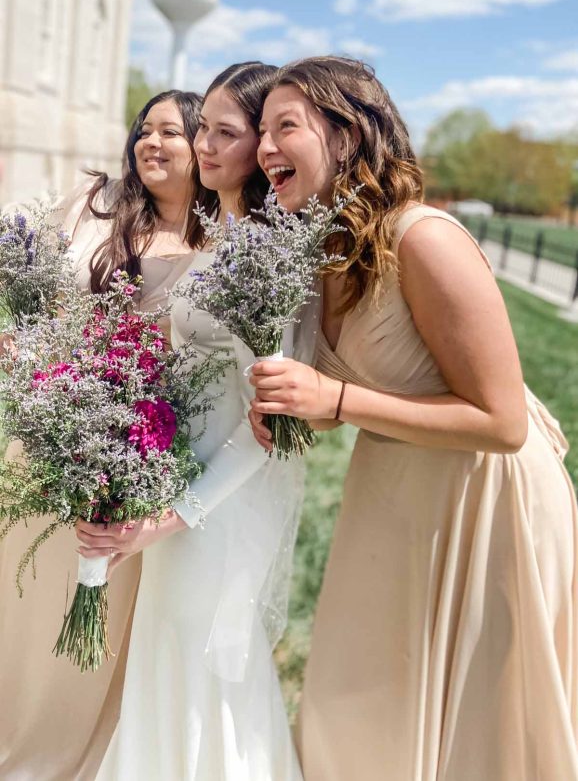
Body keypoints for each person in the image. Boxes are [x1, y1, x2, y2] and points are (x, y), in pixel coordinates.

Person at [250, 56, 578, 781]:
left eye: (285, 127)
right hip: (394, 495)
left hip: (485, 502)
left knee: (478, 728)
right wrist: (298, 409)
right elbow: (364, 386)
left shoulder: (423, 239)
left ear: (347, 136)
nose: (264, 146)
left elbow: (502, 422)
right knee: (360, 704)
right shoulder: (322, 249)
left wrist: (334, 401)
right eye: (260, 130)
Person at [78, 63, 306, 781]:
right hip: (174, 483)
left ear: (264, 146)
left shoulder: (263, 254)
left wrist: (172, 516)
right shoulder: (217, 239)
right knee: (166, 654)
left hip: (219, 502)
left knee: (208, 666)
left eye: (227, 132)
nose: (205, 145)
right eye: (201, 127)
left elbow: (266, 429)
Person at [0, 89, 202, 781]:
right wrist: (22, 347)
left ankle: (62, 752)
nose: (151, 141)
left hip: (134, 455)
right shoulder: (96, 205)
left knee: (94, 600)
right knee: (20, 597)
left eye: (171, 132)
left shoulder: (220, 242)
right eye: (144, 129)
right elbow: (38, 296)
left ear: (203, 146)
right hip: (52, 430)